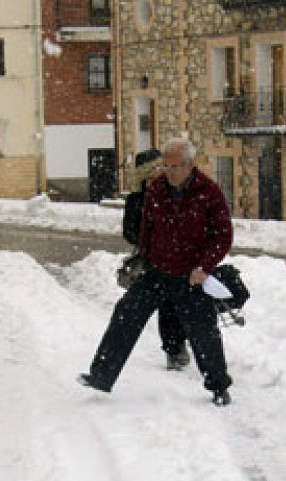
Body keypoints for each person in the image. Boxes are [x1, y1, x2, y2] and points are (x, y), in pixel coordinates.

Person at [79, 137, 235, 406]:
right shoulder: (157, 189)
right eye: (166, 165)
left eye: (175, 166)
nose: (169, 171)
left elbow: (223, 236)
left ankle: (219, 387)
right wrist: (145, 257)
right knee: (125, 314)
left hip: (191, 276)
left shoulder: (208, 192)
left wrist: (205, 267)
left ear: (189, 165)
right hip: (157, 272)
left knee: (203, 333)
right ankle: (101, 376)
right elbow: (146, 228)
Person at [121, 149, 190, 370]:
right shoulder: (136, 200)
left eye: (161, 169)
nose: (158, 175)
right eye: (153, 171)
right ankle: (174, 350)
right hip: (153, 261)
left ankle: (182, 345)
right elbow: (129, 232)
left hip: (180, 258)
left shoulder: (177, 193)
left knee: (183, 305)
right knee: (166, 306)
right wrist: (150, 238)